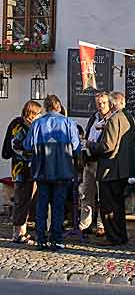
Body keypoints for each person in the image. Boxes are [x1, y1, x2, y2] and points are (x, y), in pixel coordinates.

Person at [24, 94, 80, 251]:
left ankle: (41, 239)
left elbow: (28, 146)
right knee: (58, 206)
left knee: (41, 205)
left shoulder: (36, 124)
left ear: (46, 107)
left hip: (42, 171)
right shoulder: (68, 123)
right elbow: (76, 148)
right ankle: (57, 239)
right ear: (59, 106)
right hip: (62, 171)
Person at [87, 90, 135, 245]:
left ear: (113, 104)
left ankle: (113, 237)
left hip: (110, 170)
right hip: (121, 169)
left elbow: (108, 146)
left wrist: (90, 145)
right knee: (118, 206)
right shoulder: (127, 118)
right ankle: (120, 236)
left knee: (109, 207)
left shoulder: (115, 119)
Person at [9, 100, 42, 243]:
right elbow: (15, 146)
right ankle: (17, 234)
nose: (40, 116)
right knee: (21, 201)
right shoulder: (20, 126)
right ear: (32, 113)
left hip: (29, 170)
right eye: (39, 113)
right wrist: (30, 157)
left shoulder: (30, 125)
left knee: (27, 201)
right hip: (21, 170)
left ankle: (23, 231)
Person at [79, 91, 111, 236]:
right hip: (89, 160)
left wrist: (90, 144)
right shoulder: (94, 117)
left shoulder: (110, 119)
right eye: (98, 103)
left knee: (101, 195)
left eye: (103, 103)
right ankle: (85, 224)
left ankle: (101, 225)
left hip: (101, 161)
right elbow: (88, 135)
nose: (101, 106)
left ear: (109, 103)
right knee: (86, 193)